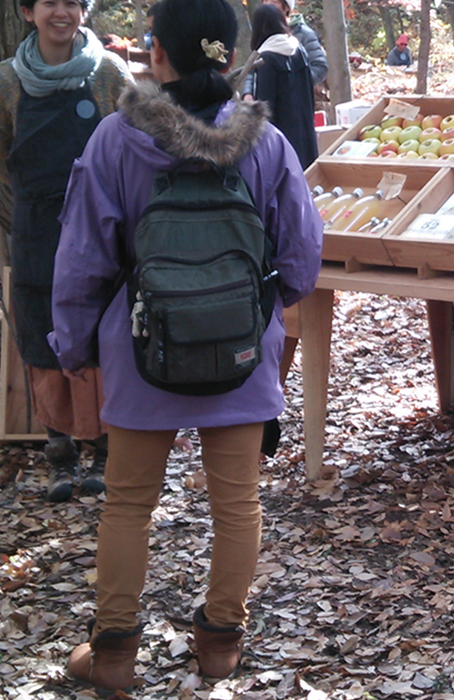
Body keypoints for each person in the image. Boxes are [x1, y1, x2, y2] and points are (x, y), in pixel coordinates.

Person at [50, 0, 322, 690]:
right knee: (238, 505)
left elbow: (82, 258)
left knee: (127, 503)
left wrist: (75, 345)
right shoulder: (266, 143)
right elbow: (301, 257)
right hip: (238, 350)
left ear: (156, 54)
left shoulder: (115, 139)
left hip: (141, 350)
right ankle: (222, 643)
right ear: (229, 57)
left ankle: (111, 655)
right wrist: (256, 310)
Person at [0, 0, 133, 502]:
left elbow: (134, 144)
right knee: (40, 334)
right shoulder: (7, 82)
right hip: (35, 228)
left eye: (72, 3)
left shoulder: (109, 73)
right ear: (27, 11)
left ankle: (103, 448)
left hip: (99, 228)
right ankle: (58, 453)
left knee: (101, 333)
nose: (62, 12)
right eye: (49, 2)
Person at [246, 3, 316, 168]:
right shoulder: (299, 49)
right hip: (305, 131)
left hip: (282, 142)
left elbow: (266, 110)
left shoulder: (266, 59)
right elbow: (309, 92)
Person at [241, 0, 326, 97]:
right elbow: (253, 69)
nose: (268, 4)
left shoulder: (304, 34)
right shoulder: (263, 33)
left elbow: (320, 67)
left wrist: (294, 84)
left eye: (274, 1)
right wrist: (248, 93)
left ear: (286, 8)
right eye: (265, 0)